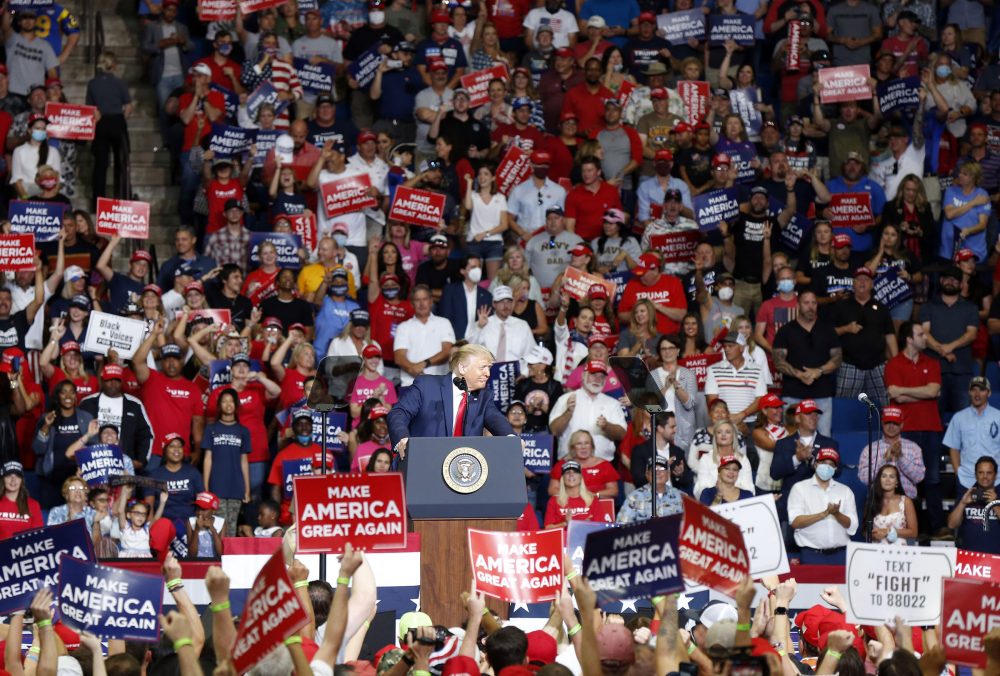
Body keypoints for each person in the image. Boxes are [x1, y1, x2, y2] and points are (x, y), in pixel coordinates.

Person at [387, 344, 514, 457]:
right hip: (421, 462)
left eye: (489, 368)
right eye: (483, 367)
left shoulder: (484, 396)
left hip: (461, 473)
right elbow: (398, 413)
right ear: (463, 368)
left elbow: (496, 418)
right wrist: (402, 439)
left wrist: (511, 438)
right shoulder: (427, 385)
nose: (488, 374)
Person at [884, 320, 945, 534]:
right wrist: (923, 392)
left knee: (933, 479)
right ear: (909, 339)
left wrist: (905, 391)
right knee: (905, 480)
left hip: (931, 427)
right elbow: (893, 394)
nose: (926, 338)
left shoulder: (933, 362)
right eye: (921, 335)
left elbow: (933, 392)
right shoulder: (893, 364)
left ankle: (938, 527)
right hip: (906, 429)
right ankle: (907, 527)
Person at [772, 291, 841, 435]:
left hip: (822, 394)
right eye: (806, 303)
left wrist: (819, 371)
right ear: (798, 305)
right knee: (792, 439)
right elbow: (778, 361)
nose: (810, 307)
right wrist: (799, 375)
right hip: (793, 394)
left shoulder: (828, 330)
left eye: (814, 303)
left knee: (823, 439)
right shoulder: (785, 331)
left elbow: (837, 358)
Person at [833, 267, 897, 408]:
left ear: (872, 284)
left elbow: (890, 336)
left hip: (878, 364)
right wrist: (846, 328)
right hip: (849, 364)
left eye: (866, 279)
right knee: (843, 406)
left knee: (885, 403)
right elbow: (829, 333)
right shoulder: (841, 306)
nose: (862, 282)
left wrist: (896, 363)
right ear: (853, 284)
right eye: (859, 279)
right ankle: (843, 430)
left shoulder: (881, 308)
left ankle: (884, 430)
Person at [920, 266, 979, 415]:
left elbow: (972, 334)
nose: (950, 282)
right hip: (934, 370)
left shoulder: (970, 308)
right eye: (947, 279)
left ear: (961, 284)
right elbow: (924, 333)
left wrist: (949, 347)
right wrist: (944, 351)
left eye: (954, 280)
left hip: (962, 370)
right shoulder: (928, 306)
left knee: (965, 418)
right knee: (933, 417)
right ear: (941, 280)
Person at [770, 399, 839, 521]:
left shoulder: (829, 443)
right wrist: (797, 458)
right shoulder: (783, 444)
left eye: (815, 414)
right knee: (788, 539)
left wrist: (815, 463)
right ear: (797, 418)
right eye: (808, 414)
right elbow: (775, 473)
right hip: (791, 503)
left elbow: (839, 471)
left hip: (820, 503)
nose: (813, 417)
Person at [787, 448, 859, 564]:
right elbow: (795, 522)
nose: (827, 467)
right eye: (823, 463)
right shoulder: (799, 489)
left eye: (831, 465)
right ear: (816, 464)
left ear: (835, 469)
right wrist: (824, 514)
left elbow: (853, 526)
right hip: (812, 556)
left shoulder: (845, 491)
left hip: (841, 555)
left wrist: (837, 514)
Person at [549, 360, 626, 462]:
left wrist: (606, 426)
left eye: (601, 376)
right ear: (583, 375)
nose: (598, 379)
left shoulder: (612, 404)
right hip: (570, 464)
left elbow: (621, 434)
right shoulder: (565, 399)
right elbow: (554, 431)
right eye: (593, 375)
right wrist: (568, 413)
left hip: (602, 466)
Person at [201, 388, 251, 536]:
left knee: (232, 525)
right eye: (224, 401)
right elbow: (207, 459)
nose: (228, 404)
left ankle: (229, 557)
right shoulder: (211, 429)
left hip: (236, 486)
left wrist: (247, 489)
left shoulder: (243, 431)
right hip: (217, 484)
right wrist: (206, 487)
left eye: (231, 401)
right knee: (218, 525)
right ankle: (219, 557)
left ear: (236, 405)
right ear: (219, 405)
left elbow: (244, 461)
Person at [943, 376, 1000, 499]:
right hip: (967, 479)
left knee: (995, 516)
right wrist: (959, 472)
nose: (977, 394)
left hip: (995, 479)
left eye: (982, 390)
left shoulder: (998, 417)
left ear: (989, 393)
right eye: (974, 389)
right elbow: (953, 448)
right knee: (962, 517)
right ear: (969, 392)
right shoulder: (958, 418)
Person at [857, 406, 926, 500]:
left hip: (907, 501)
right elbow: (864, 479)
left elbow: (919, 477)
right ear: (882, 423)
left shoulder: (914, 447)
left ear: (902, 425)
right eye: (888, 422)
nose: (891, 427)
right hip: (878, 502)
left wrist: (901, 458)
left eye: (895, 423)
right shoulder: (870, 449)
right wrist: (884, 460)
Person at [465, 285, 535, 371]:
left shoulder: (522, 325)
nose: (506, 306)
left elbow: (531, 353)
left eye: (509, 301)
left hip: (516, 374)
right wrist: (479, 327)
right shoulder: (483, 323)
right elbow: (469, 350)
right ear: (494, 304)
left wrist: (525, 373)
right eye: (501, 302)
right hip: (487, 375)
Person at [946, 456, 1000, 553]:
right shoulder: (967, 496)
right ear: (975, 475)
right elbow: (951, 525)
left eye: (989, 473)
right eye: (981, 472)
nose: (985, 476)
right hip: (969, 558)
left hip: (996, 559)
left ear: (995, 475)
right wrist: (962, 503)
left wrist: (995, 504)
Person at [548, 429, 618, 499]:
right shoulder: (562, 465)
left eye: (586, 443)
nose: (583, 447)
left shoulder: (604, 465)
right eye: (579, 444)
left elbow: (613, 491)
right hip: (570, 505)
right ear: (573, 447)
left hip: (598, 503)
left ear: (592, 446)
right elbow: (552, 490)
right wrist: (574, 497)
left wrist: (593, 495)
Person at [617, 456, 685, 524]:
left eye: (662, 469)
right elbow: (621, 526)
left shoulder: (682, 497)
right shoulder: (634, 497)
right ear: (647, 475)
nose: (658, 472)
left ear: (668, 474)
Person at [863, 464, 919, 545]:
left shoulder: (905, 501)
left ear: (897, 482)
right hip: (876, 550)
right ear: (879, 480)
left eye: (891, 477)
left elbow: (914, 532)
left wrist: (888, 531)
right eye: (884, 476)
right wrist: (873, 535)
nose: (887, 479)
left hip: (898, 552)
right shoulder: (872, 501)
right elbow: (865, 531)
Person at [543, 460, 598, 529]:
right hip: (562, 538)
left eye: (575, 472)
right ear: (562, 478)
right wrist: (565, 523)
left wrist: (587, 524)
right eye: (567, 472)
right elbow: (548, 528)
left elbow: (602, 526)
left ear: (580, 477)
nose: (571, 475)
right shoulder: (554, 500)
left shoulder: (592, 499)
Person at [0, 461, 42, 539]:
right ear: (3, 479)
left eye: (17, 476)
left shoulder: (33, 505)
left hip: (25, 550)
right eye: (9, 476)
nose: (13, 480)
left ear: (22, 480)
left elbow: (38, 536)